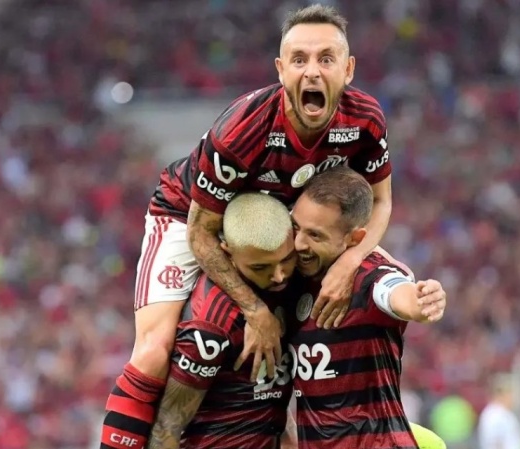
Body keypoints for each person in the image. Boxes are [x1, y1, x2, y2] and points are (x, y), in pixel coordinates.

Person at [100, 5, 395, 446]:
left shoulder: (365, 119)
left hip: (277, 227)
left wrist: (349, 263)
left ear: (348, 69)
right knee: (155, 348)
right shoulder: (244, 128)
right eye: (299, 59)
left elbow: (381, 202)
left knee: (359, 285)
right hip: (189, 213)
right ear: (281, 70)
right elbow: (202, 232)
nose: (312, 71)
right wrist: (255, 311)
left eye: (326, 58)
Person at [287, 166, 447, 449]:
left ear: (355, 239)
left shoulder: (369, 277)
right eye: (296, 227)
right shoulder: (289, 278)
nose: (299, 244)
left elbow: (396, 293)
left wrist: (421, 301)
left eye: (315, 235)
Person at [144, 193, 301, 449]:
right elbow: (167, 426)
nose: (278, 276)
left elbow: (265, 398)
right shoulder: (211, 324)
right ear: (227, 254)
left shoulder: (287, 290)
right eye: (260, 267)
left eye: (286, 259)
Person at [478, 375, 520, 449]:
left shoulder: (505, 414)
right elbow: (494, 443)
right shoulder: (494, 415)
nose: (515, 398)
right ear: (503, 394)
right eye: (512, 394)